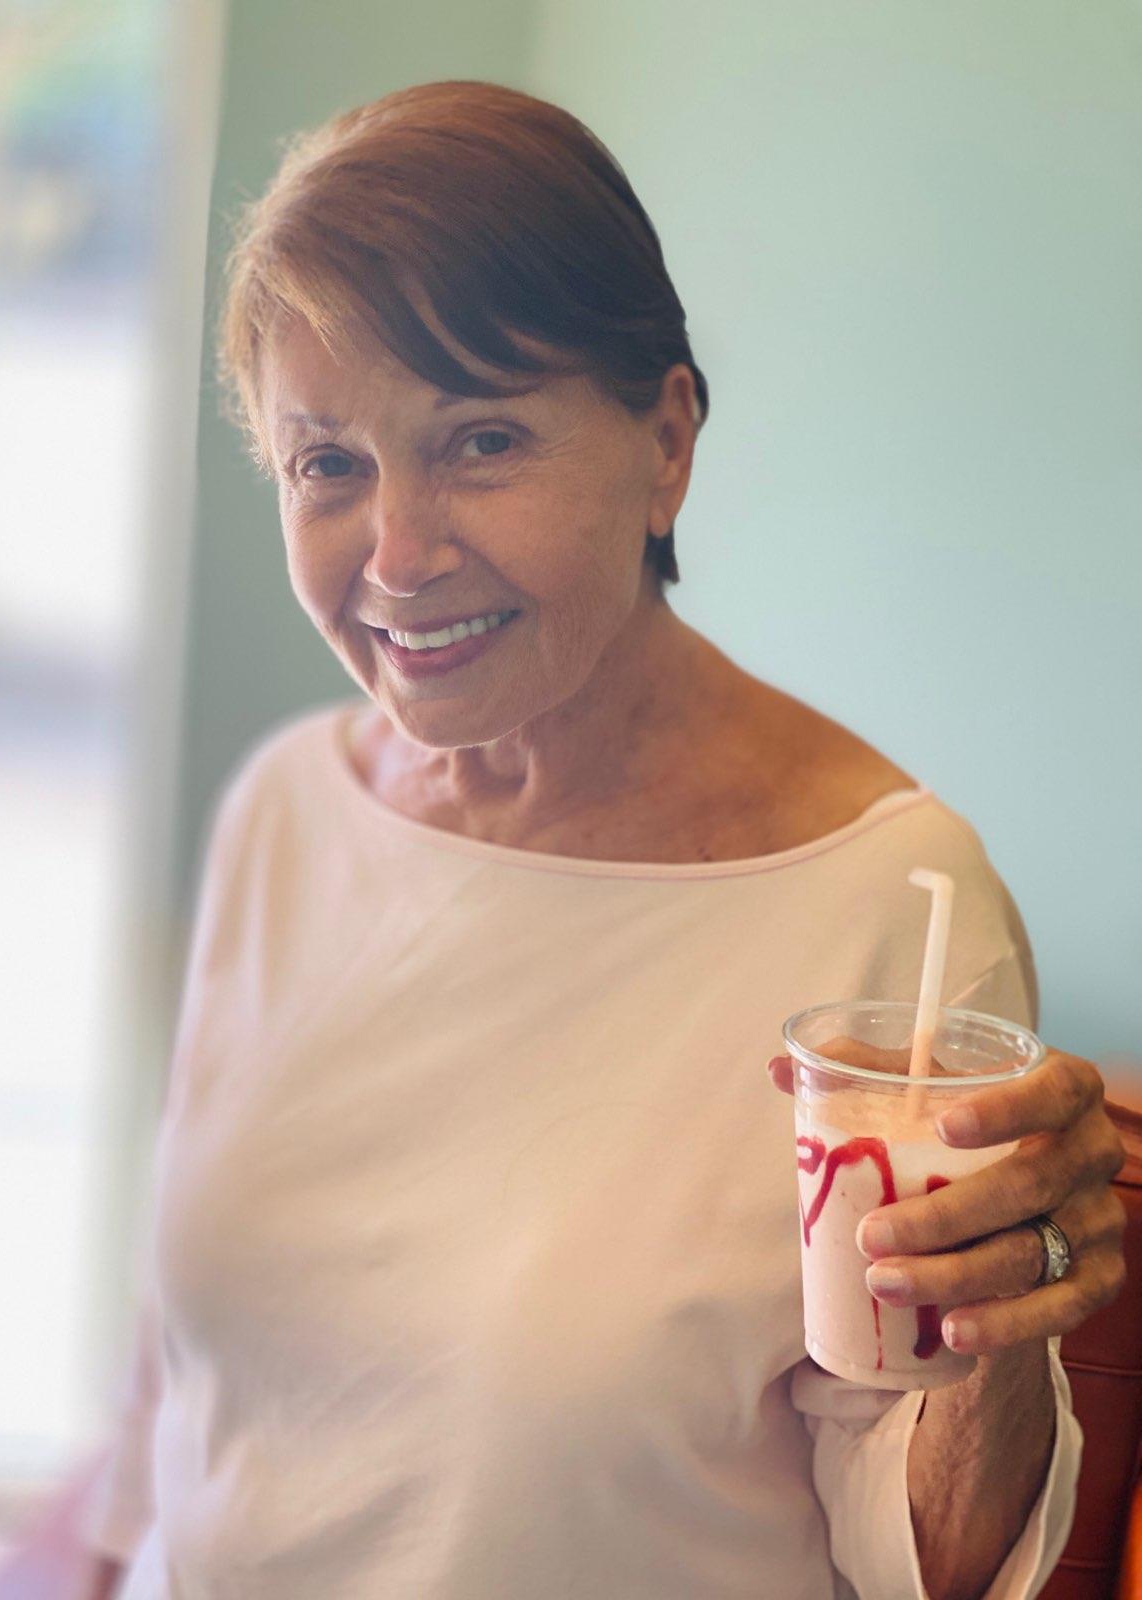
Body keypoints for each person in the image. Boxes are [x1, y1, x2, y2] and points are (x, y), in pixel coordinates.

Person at [76, 79, 1125, 1599]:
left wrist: (1003, 1324)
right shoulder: (286, 815)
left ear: (667, 441)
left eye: (482, 440)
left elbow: (938, 1568)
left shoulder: (881, 897)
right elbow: (175, 1381)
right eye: (329, 464)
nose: (399, 555)